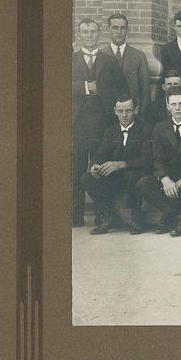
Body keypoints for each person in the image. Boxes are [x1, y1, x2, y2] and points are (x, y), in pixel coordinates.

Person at [72, 18, 128, 227]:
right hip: (77, 125)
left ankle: (101, 215)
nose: (89, 36)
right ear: (79, 35)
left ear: (99, 34)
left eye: (93, 32)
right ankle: (75, 216)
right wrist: (87, 86)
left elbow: (122, 91)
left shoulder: (109, 60)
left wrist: (103, 93)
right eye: (85, 32)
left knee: (98, 169)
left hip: (101, 125)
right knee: (76, 170)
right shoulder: (70, 59)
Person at [135, 86, 181, 236]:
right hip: (168, 175)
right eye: (173, 104)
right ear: (167, 106)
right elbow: (157, 158)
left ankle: (168, 217)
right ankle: (177, 217)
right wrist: (165, 179)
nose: (177, 108)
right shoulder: (159, 128)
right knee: (143, 183)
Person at [80, 94, 152, 235]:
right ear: (115, 111)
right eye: (120, 111)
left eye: (128, 111)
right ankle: (110, 216)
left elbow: (147, 160)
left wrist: (122, 164)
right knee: (86, 178)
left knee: (131, 176)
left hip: (137, 173)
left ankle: (136, 217)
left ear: (136, 110)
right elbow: (100, 155)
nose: (124, 115)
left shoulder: (145, 128)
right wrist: (95, 166)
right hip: (116, 177)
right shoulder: (111, 131)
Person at [100, 12, 151, 120]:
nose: (119, 32)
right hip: (106, 115)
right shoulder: (100, 55)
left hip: (132, 114)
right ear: (108, 29)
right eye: (115, 27)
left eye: (123, 28)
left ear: (127, 29)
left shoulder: (139, 56)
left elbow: (145, 91)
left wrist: (142, 115)